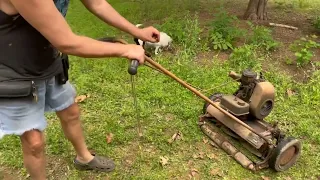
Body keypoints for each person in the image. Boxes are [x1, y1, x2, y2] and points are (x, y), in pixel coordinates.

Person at [0, 0, 160, 179]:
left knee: (70, 112)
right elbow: (66, 42)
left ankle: (84, 158)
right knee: (34, 142)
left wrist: (137, 31)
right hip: (13, 70)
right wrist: (124, 50)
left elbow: (97, 3)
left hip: (45, 57)